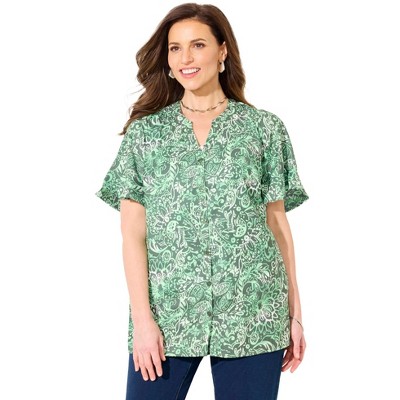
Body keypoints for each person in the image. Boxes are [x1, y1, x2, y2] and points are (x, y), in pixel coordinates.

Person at [95, 3, 309, 399]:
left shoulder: (264, 129)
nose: (185, 58)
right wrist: (142, 321)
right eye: (175, 48)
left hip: (254, 309)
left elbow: (277, 223)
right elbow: (133, 235)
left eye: (197, 45)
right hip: (169, 313)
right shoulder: (146, 135)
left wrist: (295, 312)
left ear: (222, 50)